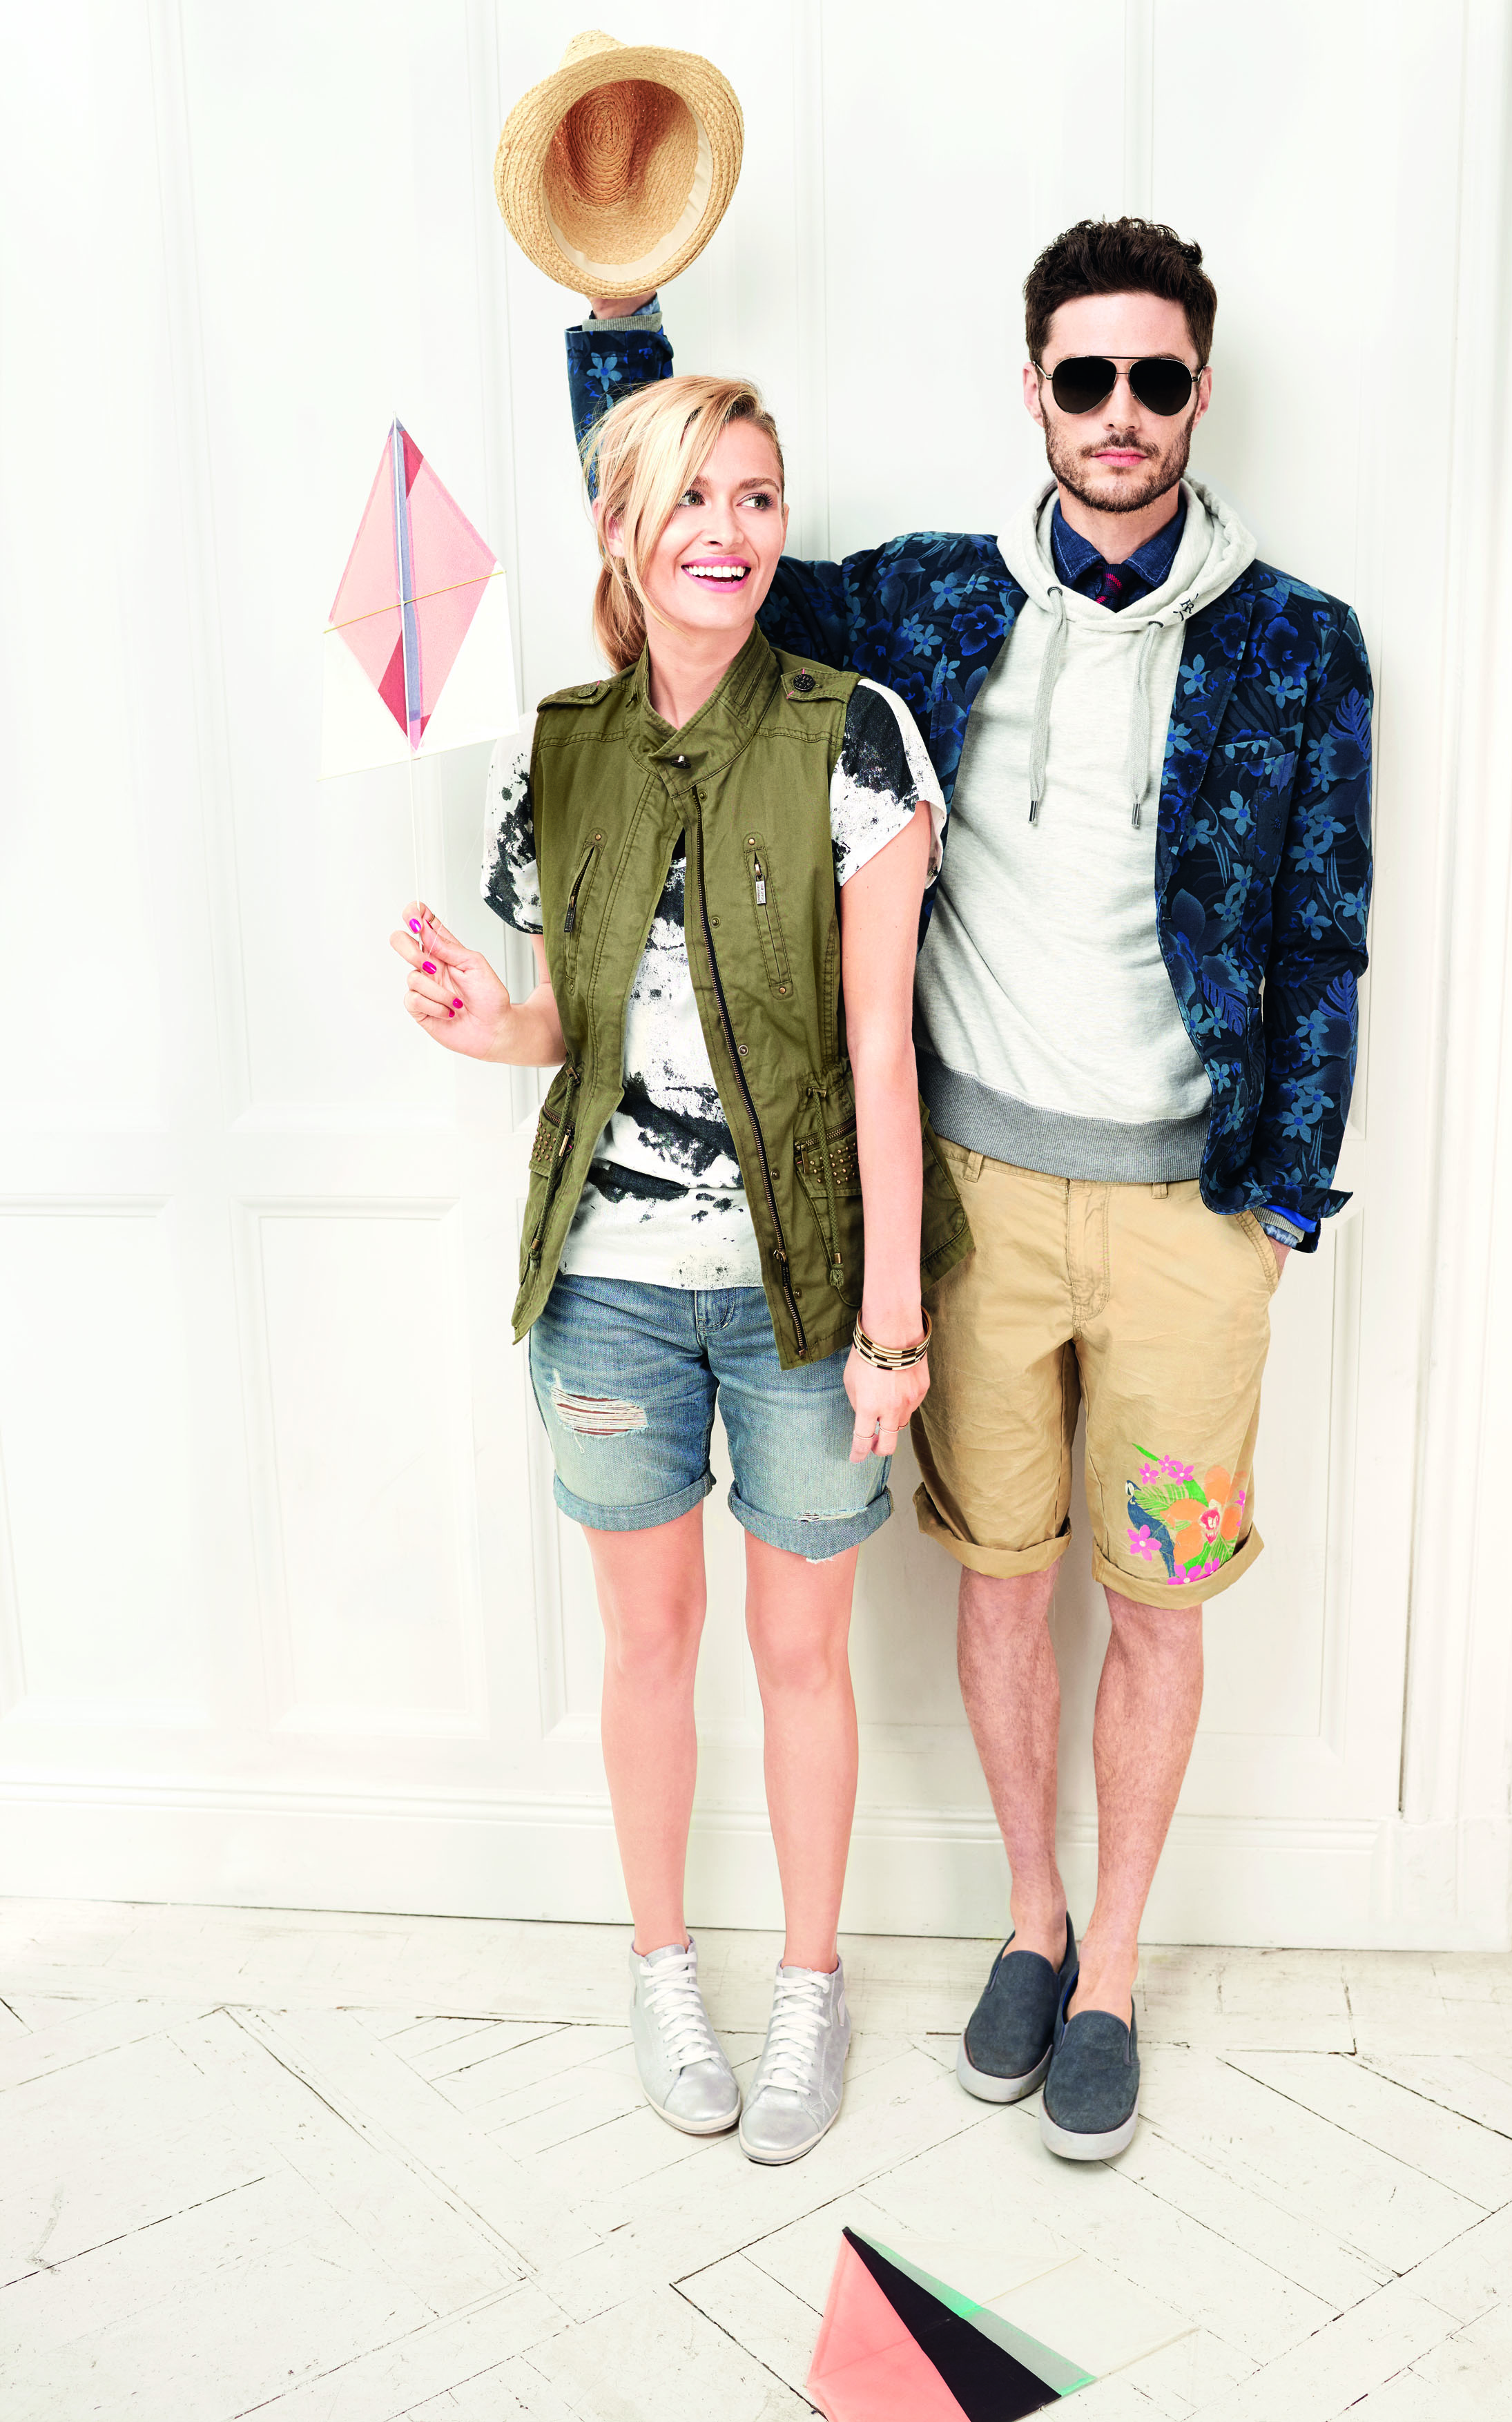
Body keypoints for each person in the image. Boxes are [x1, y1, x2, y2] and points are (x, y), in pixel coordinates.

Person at [572, 215, 1373, 2162]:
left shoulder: (1300, 641)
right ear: (1034, 392)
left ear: (1197, 391)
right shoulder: (933, 601)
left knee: (1160, 1602)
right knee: (1003, 1586)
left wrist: (1279, 1198)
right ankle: (1031, 1922)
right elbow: (698, 561)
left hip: (1192, 1225)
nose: (1120, 411)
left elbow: (1324, 931)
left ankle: (1115, 1980)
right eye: (1085, 376)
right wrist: (618, 324)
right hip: (977, 1211)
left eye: (1155, 377)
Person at [390, 372, 969, 2165]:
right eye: (693, 497)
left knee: (804, 1655)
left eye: (758, 495)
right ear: (622, 532)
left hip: (806, 1291)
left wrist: (893, 1322)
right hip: (607, 1290)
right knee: (648, 1645)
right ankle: (660, 1967)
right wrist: (486, 1020)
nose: (730, 530)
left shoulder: (856, 739)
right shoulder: (556, 748)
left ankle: (808, 1983)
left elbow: (882, 1052)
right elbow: (566, 1024)